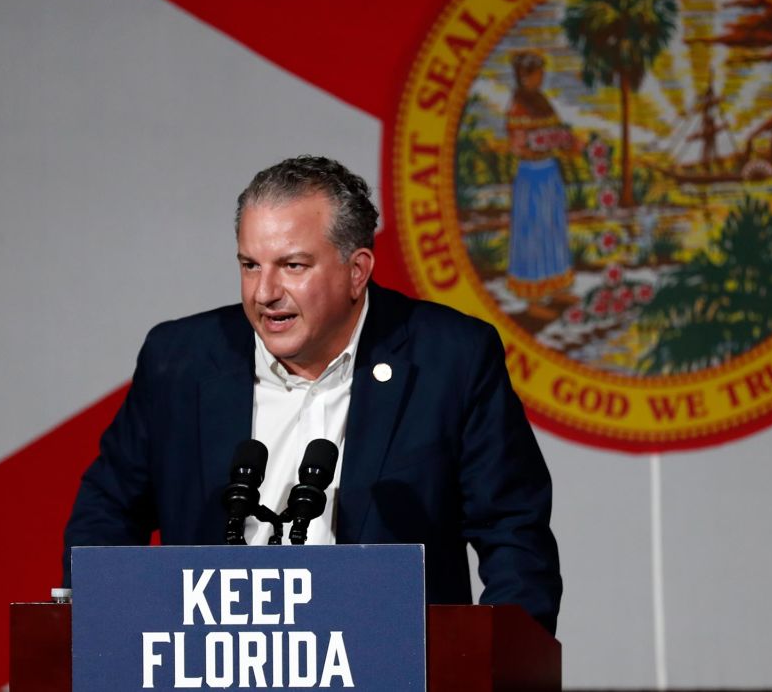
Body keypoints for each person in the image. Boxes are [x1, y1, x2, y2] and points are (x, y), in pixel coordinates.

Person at [62, 155, 563, 634]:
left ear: (357, 271)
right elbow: (106, 513)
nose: (264, 292)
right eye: (250, 265)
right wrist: (100, 634)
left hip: (389, 666)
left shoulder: (449, 359)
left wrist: (498, 664)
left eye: (293, 266)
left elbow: (512, 531)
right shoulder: (180, 360)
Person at [505, 51, 575, 316]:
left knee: (553, 229)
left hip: (549, 173)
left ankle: (556, 288)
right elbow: (518, 145)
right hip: (532, 176)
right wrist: (541, 144)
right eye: (537, 74)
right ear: (525, 76)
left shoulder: (542, 101)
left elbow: (556, 132)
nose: (540, 78)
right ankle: (533, 301)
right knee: (533, 234)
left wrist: (565, 142)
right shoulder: (518, 106)